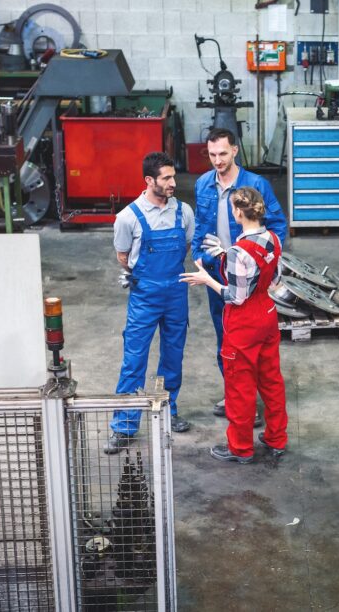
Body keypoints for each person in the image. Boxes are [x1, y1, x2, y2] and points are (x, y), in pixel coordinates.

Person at [181, 186, 289, 464]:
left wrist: (208, 279)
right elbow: (272, 279)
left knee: (239, 386)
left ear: (238, 212)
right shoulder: (273, 239)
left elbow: (236, 296)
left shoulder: (238, 253)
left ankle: (240, 448)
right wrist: (223, 255)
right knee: (271, 381)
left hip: (244, 324)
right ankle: (276, 439)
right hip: (267, 314)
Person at [191, 128, 288, 422]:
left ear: (235, 150)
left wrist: (268, 266)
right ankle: (235, 393)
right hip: (217, 269)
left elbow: (277, 225)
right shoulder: (203, 184)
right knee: (225, 339)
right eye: (212, 155)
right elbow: (200, 224)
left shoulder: (255, 184)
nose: (217, 160)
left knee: (251, 342)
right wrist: (198, 254)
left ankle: (249, 402)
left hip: (248, 275)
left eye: (222, 153)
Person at [105, 152, 194, 455]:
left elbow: (186, 246)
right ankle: (124, 426)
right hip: (144, 296)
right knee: (134, 360)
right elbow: (123, 258)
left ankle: (168, 410)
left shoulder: (183, 212)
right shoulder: (127, 218)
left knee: (172, 357)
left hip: (176, 293)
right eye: (166, 178)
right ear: (149, 181)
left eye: (173, 176)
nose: (173, 183)